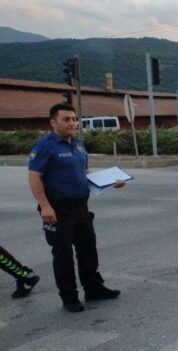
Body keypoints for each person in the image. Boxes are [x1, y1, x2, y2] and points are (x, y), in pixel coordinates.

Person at [28, 103, 125, 313]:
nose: (72, 123)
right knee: (63, 254)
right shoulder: (45, 146)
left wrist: (110, 181)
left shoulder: (79, 145)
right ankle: (69, 296)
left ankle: (94, 288)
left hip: (81, 206)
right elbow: (35, 177)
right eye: (66, 119)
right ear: (53, 122)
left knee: (88, 248)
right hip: (57, 207)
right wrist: (45, 206)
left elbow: (85, 172)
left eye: (74, 119)